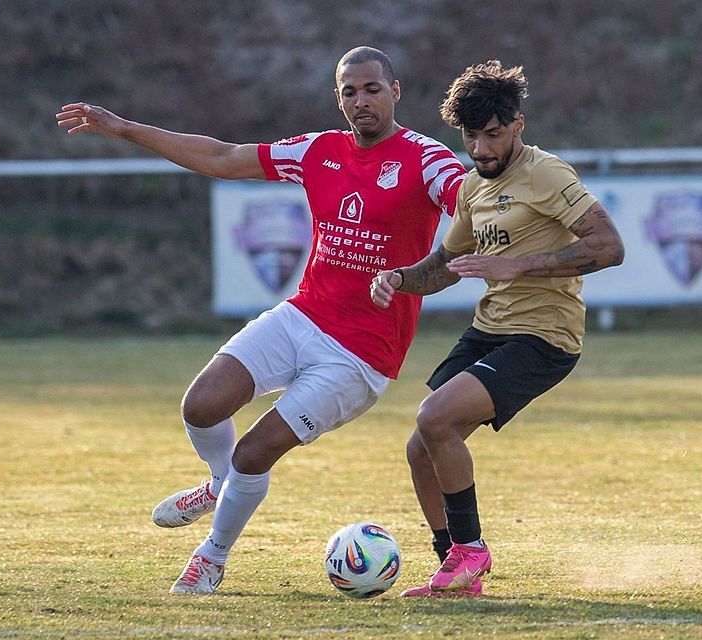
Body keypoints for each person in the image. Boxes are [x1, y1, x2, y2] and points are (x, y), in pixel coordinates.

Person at [56, 46, 467, 595]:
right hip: (302, 316)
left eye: (372, 88)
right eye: (349, 91)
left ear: (396, 91)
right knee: (201, 406)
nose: (361, 100)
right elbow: (224, 158)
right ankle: (220, 483)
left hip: (361, 355)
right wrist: (124, 128)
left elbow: (473, 203)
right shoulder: (319, 150)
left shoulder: (426, 157)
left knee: (254, 451)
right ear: (337, 98)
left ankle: (212, 556)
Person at [370, 60, 625, 597]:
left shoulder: (547, 174)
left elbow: (608, 247)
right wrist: (399, 277)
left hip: (544, 336)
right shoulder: (471, 187)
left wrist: (520, 264)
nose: (482, 149)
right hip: (490, 330)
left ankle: (472, 550)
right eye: (471, 137)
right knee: (421, 447)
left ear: (518, 126)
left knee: (434, 415)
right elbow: (446, 264)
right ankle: (454, 568)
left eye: (493, 135)